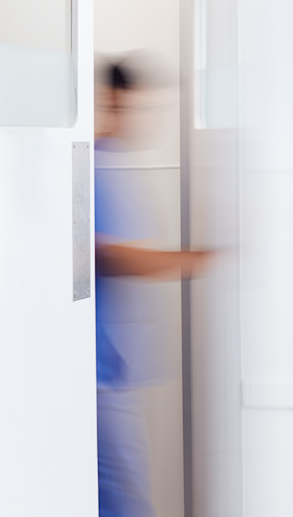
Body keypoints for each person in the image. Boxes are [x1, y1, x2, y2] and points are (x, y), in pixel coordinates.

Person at [95, 57, 209, 517]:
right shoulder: (97, 164)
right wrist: (197, 259)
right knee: (126, 499)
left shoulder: (120, 164)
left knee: (122, 494)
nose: (152, 117)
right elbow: (110, 255)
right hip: (99, 374)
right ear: (118, 101)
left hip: (119, 370)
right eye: (145, 104)